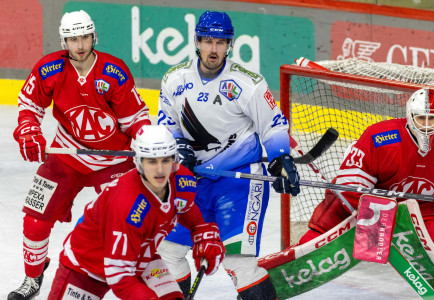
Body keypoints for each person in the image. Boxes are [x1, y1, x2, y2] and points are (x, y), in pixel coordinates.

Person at [157, 10, 300, 299]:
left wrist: (281, 157)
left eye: (221, 42)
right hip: (190, 181)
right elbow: (167, 122)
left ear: (230, 44)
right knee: (167, 253)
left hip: (239, 183)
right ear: (197, 41)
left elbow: (273, 126)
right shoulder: (174, 79)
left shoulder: (248, 83)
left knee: (239, 264)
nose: (213, 49)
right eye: (208, 41)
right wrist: (175, 145)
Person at [9, 10, 151, 299]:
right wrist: (27, 129)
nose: (80, 44)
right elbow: (28, 105)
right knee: (35, 217)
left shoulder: (114, 71)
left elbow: (136, 118)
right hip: (67, 154)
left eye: (85, 36)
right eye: (73, 38)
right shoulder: (49, 69)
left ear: (94, 36)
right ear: (64, 41)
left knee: (124, 222)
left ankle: (134, 279)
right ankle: (32, 278)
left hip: (114, 161)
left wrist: (146, 142)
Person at [299, 88, 434, 294]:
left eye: (432, 119)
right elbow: (350, 188)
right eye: (421, 118)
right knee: (334, 210)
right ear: (409, 116)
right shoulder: (380, 137)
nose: (427, 125)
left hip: (418, 207)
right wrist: (377, 219)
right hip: (372, 201)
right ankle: (302, 257)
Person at [47, 125, 225, 299]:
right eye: (151, 161)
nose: (160, 170)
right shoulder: (126, 205)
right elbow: (120, 278)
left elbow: (183, 206)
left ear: (175, 160)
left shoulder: (181, 179)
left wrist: (201, 231)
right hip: (87, 265)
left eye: (165, 160)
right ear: (139, 162)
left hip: (141, 255)